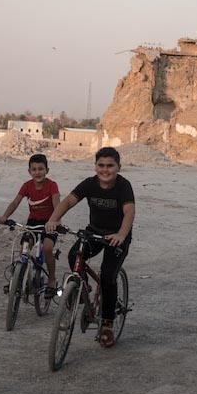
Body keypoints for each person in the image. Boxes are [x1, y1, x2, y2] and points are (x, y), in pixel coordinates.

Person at [45, 146, 135, 348]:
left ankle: (107, 324)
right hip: (94, 232)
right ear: (95, 166)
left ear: (118, 167)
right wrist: (53, 219)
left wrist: (121, 234)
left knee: (107, 275)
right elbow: (68, 201)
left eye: (110, 166)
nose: (105, 170)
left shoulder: (123, 186)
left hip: (116, 236)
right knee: (73, 256)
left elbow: (129, 211)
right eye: (101, 165)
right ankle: (81, 289)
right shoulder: (89, 184)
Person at [0, 153, 60, 297]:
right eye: (34, 169)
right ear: (29, 171)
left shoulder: (52, 185)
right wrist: (5, 216)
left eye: (41, 169)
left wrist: (56, 221)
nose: (37, 172)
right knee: (24, 249)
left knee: (47, 248)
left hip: (50, 222)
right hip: (33, 223)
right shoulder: (27, 186)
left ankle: (51, 279)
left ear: (47, 170)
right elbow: (15, 202)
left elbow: (57, 203)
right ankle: (17, 279)